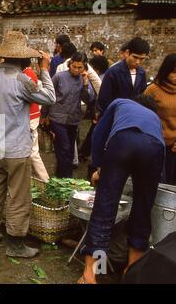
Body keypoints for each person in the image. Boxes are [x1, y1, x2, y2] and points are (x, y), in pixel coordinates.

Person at [0, 31, 56, 258]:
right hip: (17, 149)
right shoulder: (23, 80)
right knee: (18, 195)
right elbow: (50, 98)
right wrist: (45, 69)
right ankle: (15, 243)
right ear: (24, 59)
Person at [78, 96, 165, 284]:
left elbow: (99, 133)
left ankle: (91, 275)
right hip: (154, 149)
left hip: (123, 142)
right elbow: (160, 156)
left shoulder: (119, 103)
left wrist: (98, 166)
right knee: (142, 211)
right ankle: (131, 273)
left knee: (105, 209)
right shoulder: (155, 119)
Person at [42, 52, 94, 178]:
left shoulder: (83, 79)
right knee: (64, 147)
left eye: (79, 67)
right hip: (57, 118)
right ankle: (67, 177)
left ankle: (61, 177)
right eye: (74, 67)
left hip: (73, 119)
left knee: (69, 150)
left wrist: (86, 83)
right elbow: (48, 97)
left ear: (84, 67)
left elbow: (88, 100)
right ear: (70, 65)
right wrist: (43, 116)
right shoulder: (59, 77)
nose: (76, 70)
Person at [144, 53, 176, 185]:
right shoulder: (153, 90)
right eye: (174, 72)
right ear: (166, 71)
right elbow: (142, 115)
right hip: (155, 144)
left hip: (174, 147)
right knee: (155, 182)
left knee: (171, 184)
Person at [97, 37, 150, 115]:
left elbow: (142, 95)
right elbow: (104, 98)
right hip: (115, 114)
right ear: (127, 53)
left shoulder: (141, 73)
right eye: (135, 57)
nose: (137, 62)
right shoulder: (113, 72)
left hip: (134, 114)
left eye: (142, 59)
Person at [23, 60, 50, 182]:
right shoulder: (26, 73)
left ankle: (44, 180)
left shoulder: (27, 74)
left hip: (30, 116)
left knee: (33, 152)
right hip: (29, 116)